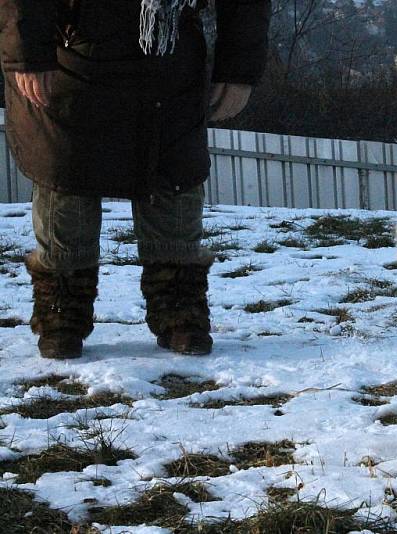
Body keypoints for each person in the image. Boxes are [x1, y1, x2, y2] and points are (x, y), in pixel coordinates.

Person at [0, 0, 269, 358]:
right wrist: (27, 55)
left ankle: (179, 313)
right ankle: (61, 315)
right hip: (69, 54)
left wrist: (238, 69)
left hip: (169, 54)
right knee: (67, 182)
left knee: (171, 178)